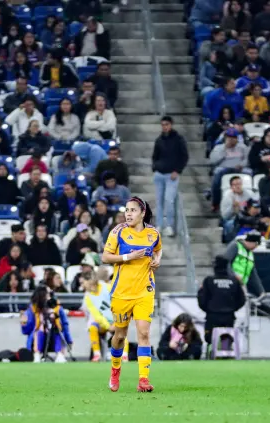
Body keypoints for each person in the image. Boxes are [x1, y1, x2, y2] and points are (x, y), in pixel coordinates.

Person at [102, 196, 162, 392]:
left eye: (133, 210)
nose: (128, 214)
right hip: (121, 293)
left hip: (145, 291)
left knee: (144, 333)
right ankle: (115, 369)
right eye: (126, 210)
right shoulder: (118, 231)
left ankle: (143, 380)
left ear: (142, 213)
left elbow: (159, 250)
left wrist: (157, 260)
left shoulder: (153, 234)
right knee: (119, 336)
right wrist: (129, 257)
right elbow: (105, 257)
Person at [197, 255, 245, 353]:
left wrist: (208, 309)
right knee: (226, 337)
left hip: (212, 316)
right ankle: (225, 353)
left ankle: (212, 352)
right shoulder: (234, 281)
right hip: (229, 316)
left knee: (210, 338)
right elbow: (242, 299)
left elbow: (202, 298)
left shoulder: (209, 281)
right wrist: (232, 308)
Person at [82, 269, 129, 362]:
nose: (82, 285)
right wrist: (108, 326)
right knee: (92, 327)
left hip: (116, 318)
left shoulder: (107, 288)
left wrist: (116, 320)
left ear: (90, 281)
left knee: (120, 331)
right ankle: (97, 354)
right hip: (104, 323)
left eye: (84, 282)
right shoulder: (88, 297)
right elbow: (96, 314)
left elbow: (119, 302)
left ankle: (124, 355)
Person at [152, 116, 189, 236]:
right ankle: (159, 224)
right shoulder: (159, 140)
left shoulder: (179, 139)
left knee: (169, 200)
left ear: (171, 125)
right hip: (159, 174)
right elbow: (155, 155)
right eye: (163, 125)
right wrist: (155, 167)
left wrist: (177, 171)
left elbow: (184, 156)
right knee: (159, 201)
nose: (165, 127)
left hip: (171, 175)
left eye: (167, 124)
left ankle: (169, 225)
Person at [21, 286, 73, 363]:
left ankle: (59, 354)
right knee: (39, 330)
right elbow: (26, 331)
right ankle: (37, 354)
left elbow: (65, 325)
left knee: (57, 329)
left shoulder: (57, 308)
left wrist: (69, 340)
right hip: (38, 338)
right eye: (48, 294)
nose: (50, 296)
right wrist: (24, 323)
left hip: (54, 336)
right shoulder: (33, 309)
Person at [209, 127, 249, 209]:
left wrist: (242, 165)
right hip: (224, 169)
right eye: (229, 137)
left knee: (250, 172)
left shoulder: (242, 147)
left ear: (237, 138)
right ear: (225, 138)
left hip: (239, 169)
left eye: (233, 137)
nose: (231, 139)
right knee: (217, 173)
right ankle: (215, 203)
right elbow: (213, 161)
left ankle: (249, 202)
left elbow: (247, 160)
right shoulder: (219, 147)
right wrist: (224, 151)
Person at [223, 230, 265, 297]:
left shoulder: (250, 254)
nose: (256, 248)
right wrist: (234, 276)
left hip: (241, 285)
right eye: (256, 245)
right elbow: (224, 263)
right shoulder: (235, 246)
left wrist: (261, 291)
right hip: (229, 283)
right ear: (254, 243)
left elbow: (253, 274)